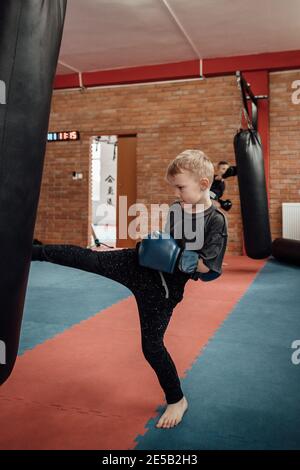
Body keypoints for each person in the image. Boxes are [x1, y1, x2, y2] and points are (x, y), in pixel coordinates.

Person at [31, 149, 228, 429]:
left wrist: (174, 256)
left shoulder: (215, 221)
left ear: (205, 184)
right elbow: (169, 238)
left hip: (161, 290)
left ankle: (177, 399)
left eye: (181, 187)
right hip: (138, 265)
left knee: (151, 347)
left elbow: (210, 269)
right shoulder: (176, 208)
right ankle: (31, 252)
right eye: (175, 188)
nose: (177, 193)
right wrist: (155, 245)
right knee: (89, 258)